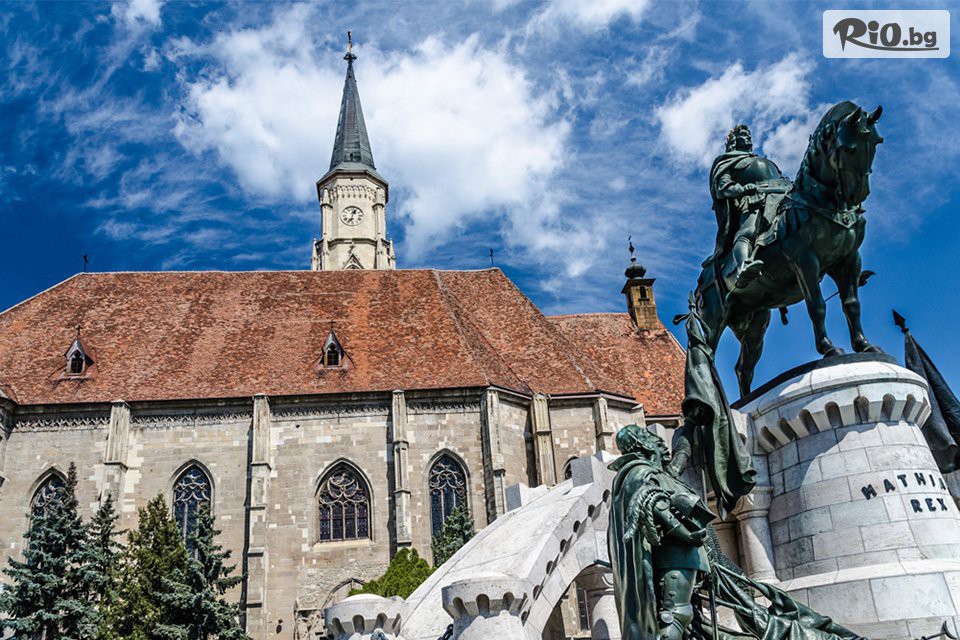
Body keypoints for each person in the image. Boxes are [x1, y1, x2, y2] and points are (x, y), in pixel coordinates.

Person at [607, 424, 714, 640]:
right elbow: (652, 501)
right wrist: (686, 534)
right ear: (643, 444)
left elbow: (679, 459)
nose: (659, 442)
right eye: (648, 436)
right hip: (675, 555)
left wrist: (689, 425)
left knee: (688, 620)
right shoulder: (639, 472)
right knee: (675, 616)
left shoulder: (660, 473)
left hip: (687, 556)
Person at [709, 124, 785, 289]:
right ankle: (743, 266)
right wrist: (741, 189)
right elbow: (723, 187)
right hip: (752, 200)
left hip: (780, 197)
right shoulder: (727, 161)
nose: (747, 136)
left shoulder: (762, 160)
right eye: (743, 134)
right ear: (734, 140)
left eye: (748, 133)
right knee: (748, 231)